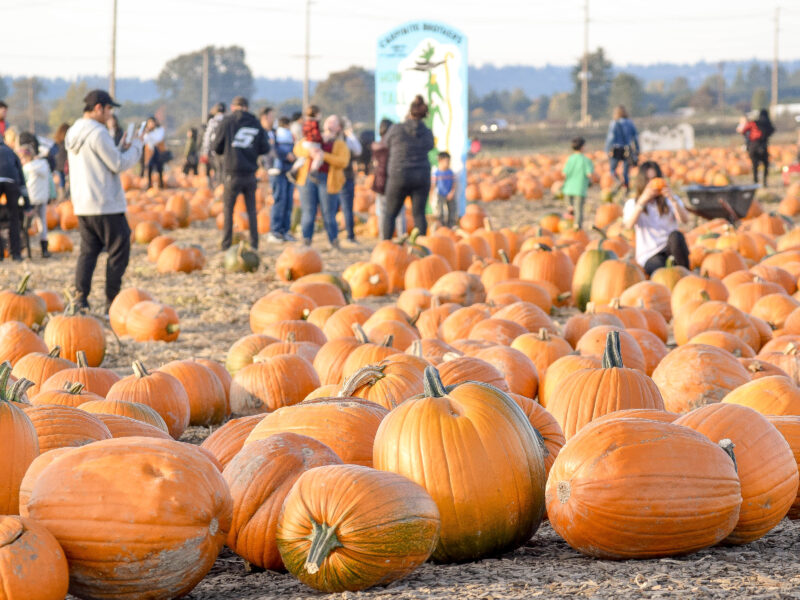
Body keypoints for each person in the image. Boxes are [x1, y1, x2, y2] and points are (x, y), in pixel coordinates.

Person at [65, 89, 143, 311]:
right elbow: (118, 164)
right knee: (120, 249)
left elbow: (102, 159)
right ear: (98, 108)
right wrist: (136, 146)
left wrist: (120, 148)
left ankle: (80, 298)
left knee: (88, 251)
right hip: (104, 202)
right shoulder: (98, 133)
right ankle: (113, 301)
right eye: (109, 109)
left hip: (83, 202)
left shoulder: (74, 131)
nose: (110, 114)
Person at [214, 95, 270, 251]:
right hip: (250, 172)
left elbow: (216, 146)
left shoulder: (227, 122)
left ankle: (226, 244)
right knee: (252, 210)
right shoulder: (255, 123)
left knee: (228, 210)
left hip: (231, 172)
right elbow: (265, 148)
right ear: (247, 107)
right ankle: (254, 243)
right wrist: (252, 152)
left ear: (233, 107)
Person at [622, 160, 690, 276]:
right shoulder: (633, 203)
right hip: (650, 254)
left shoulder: (670, 200)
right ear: (642, 182)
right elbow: (628, 225)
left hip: (670, 248)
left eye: (655, 179)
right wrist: (642, 201)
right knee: (662, 273)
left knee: (676, 236)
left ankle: (685, 275)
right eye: (648, 180)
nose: (652, 184)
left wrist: (673, 200)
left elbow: (685, 220)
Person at [293, 114, 350, 248]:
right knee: (308, 211)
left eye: (334, 122)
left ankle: (333, 240)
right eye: (328, 120)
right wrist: (311, 152)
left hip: (327, 180)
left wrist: (325, 156)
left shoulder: (340, 144)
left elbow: (343, 161)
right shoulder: (313, 137)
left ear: (339, 128)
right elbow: (298, 149)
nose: (329, 124)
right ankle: (306, 239)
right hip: (308, 178)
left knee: (328, 213)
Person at [382, 95, 435, 238]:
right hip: (421, 175)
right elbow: (430, 146)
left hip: (399, 174)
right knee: (419, 214)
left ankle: (386, 242)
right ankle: (421, 247)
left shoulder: (396, 129)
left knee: (390, 213)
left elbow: (385, 143)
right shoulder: (427, 132)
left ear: (409, 112)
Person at [372, 119, 405, 238]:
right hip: (394, 182)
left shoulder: (377, 146)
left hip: (380, 183)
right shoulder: (394, 147)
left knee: (384, 213)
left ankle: (383, 239)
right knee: (399, 212)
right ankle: (402, 237)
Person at [19, 144, 53, 258]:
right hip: (42, 198)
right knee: (42, 222)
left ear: (25, 157)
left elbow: (22, 185)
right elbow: (50, 182)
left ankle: (25, 248)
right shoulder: (44, 165)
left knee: (25, 224)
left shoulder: (26, 169)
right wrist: (51, 195)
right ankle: (44, 249)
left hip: (30, 199)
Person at [266, 116, 295, 244]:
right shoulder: (273, 135)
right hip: (277, 171)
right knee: (279, 200)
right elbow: (271, 151)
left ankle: (285, 230)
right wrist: (285, 155)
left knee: (288, 202)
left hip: (289, 171)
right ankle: (275, 231)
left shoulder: (290, 136)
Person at [0, 135, 29, 261]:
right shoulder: (11, 152)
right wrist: (27, 204)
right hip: (12, 182)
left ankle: (0, 254)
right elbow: (21, 178)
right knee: (14, 217)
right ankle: (16, 254)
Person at [339, 116, 363, 246]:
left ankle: (347, 234)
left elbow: (358, 151)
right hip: (343, 176)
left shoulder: (341, 139)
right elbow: (358, 150)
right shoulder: (345, 140)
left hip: (343, 177)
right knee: (346, 207)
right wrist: (351, 135)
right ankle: (349, 235)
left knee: (344, 207)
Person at [561, 137, 594, 229]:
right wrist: (590, 182)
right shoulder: (586, 160)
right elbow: (589, 174)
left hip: (568, 188)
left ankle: (569, 208)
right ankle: (577, 226)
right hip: (579, 189)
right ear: (582, 147)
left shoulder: (570, 159)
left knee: (569, 204)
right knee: (579, 209)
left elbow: (564, 173)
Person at [605, 105, 639, 193]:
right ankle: (626, 189)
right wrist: (637, 149)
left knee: (612, 169)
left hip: (616, 149)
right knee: (626, 171)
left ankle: (618, 181)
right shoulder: (630, 123)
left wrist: (607, 149)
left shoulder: (614, 123)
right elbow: (635, 137)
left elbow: (611, 137)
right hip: (627, 149)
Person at [738, 109, 774, 187]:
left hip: (753, 146)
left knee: (754, 164)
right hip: (762, 146)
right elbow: (772, 131)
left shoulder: (753, 123)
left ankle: (755, 182)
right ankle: (764, 182)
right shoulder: (767, 124)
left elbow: (742, 130)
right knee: (766, 164)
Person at [290, 105, 323, 178]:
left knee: (303, 157)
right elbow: (316, 134)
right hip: (312, 142)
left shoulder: (305, 123)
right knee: (319, 155)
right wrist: (320, 140)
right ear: (316, 114)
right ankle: (313, 170)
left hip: (306, 142)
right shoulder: (314, 123)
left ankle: (294, 169)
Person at [201, 102, 226, 185]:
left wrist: (205, 151)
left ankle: (218, 187)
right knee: (224, 171)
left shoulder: (212, 121)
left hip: (214, 150)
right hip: (226, 151)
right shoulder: (228, 120)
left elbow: (207, 137)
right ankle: (223, 187)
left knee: (217, 170)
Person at [431, 151, 457, 227]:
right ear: (440, 161)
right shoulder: (436, 173)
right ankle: (441, 225)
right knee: (440, 211)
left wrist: (452, 192)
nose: (448, 163)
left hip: (449, 194)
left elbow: (454, 183)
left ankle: (451, 225)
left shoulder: (450, 172)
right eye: (446, 161)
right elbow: (433, 185)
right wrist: (431, 196)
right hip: (440, 194)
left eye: (449, 161)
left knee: (452, 210)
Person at [143, 117, 165, 189]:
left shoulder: (160, 130)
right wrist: (147, 132)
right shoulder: (147, 132)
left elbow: (158, 139)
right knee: (149, 167)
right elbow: (145, 140)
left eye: (152, 122)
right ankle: (149, 183)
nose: (151, 124)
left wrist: (150, 134)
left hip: (158, 151)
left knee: (159, 168)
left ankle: (161, 184)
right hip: (150, 152)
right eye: (149, 123)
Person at [49, 123, 70, 200]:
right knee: (66, 188)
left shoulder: (56, 143)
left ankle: (61, 201)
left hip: (57, 167)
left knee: (60, 187)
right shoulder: (67, 143)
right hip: (65, 168)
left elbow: (50, 153)